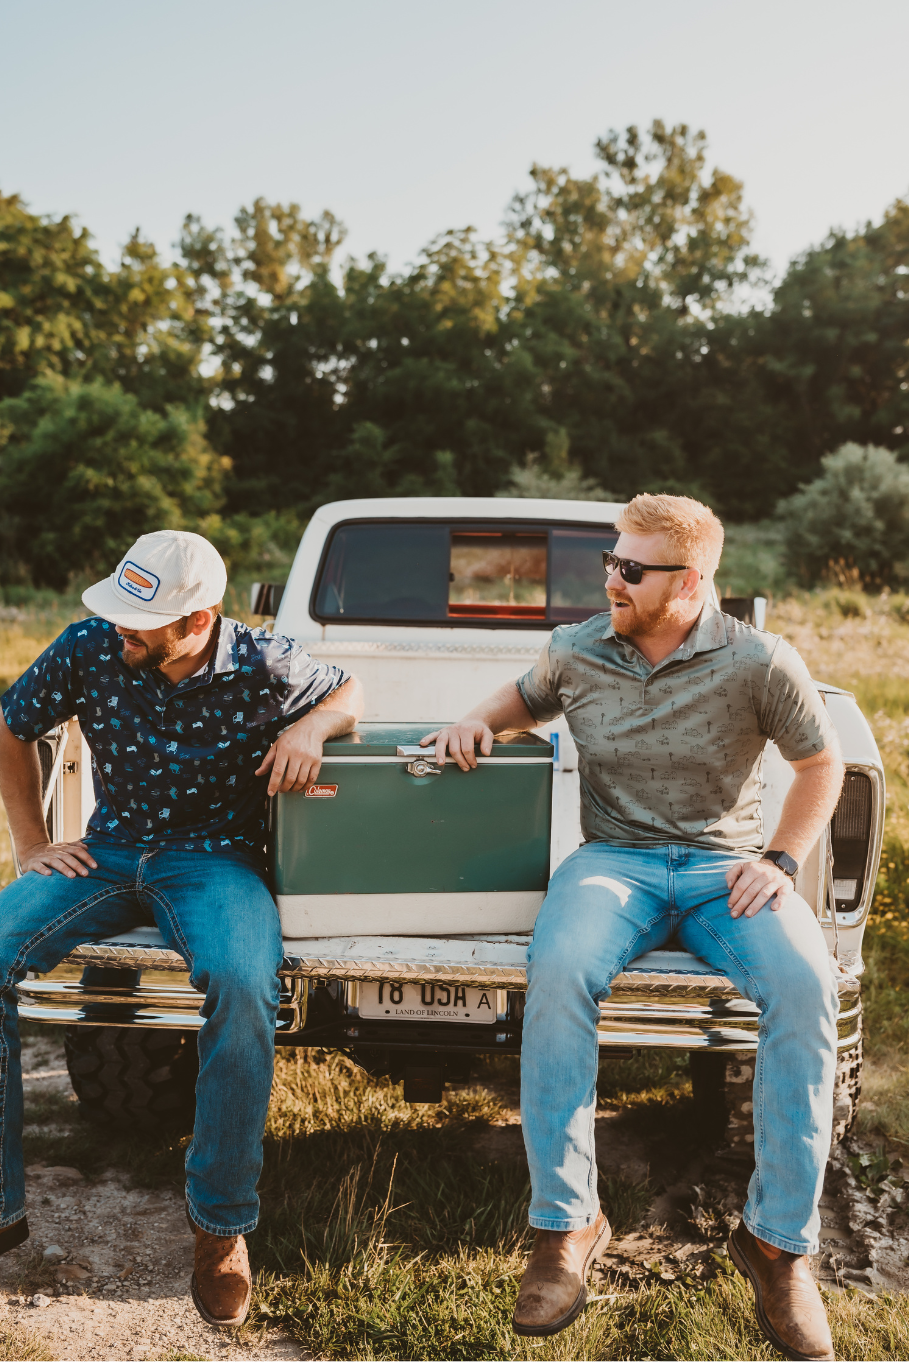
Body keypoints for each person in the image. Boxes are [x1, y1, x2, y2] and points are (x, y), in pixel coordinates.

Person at [423, 494, 844, 1362]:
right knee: (560, 968)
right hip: (611, 860)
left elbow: (819, 761)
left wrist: (780, 858)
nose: (607, 577)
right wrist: (478, 718)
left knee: (806, 985)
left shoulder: (759, 660)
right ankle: (566, 1226)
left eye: (629, 568)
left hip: (722, 866)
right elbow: (525, 696)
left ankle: (775, 1242)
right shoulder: (580, 647)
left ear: (687, 584)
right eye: (609, 561)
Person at [0, 530, 363, 1329]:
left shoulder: (266, 664)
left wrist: (312, 728)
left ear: (197, 620)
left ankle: (221, 1227)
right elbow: (11, 722)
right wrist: (30, 844)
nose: (119, 630)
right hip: (106, 849)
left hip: (216, 860)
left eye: (140, 621)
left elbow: (348, 694)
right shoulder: (90, 644)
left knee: (240, 985)